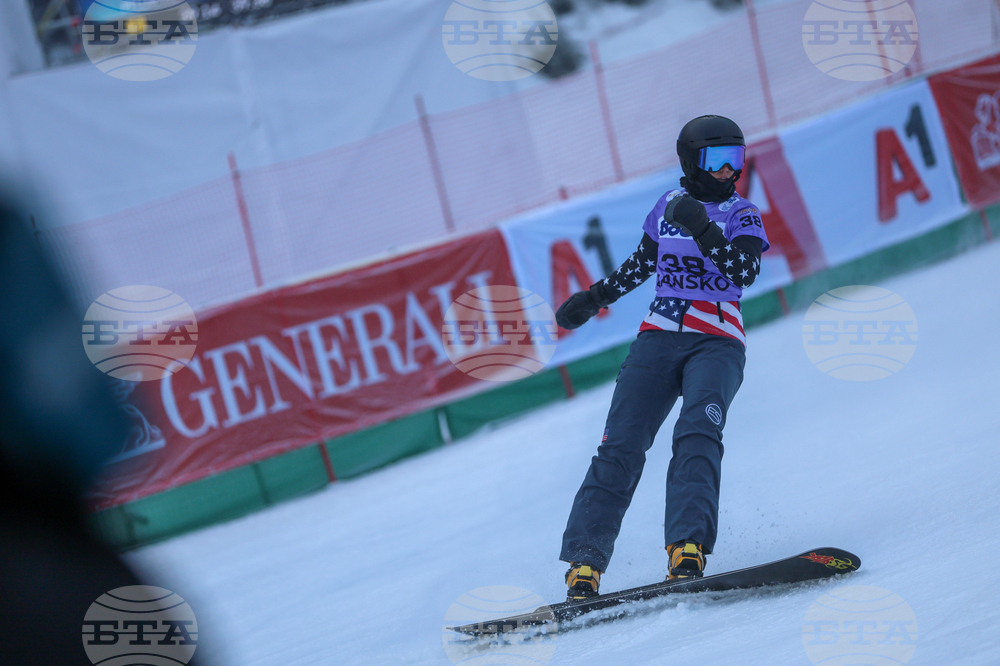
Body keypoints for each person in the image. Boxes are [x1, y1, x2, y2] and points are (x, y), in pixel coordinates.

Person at [555, 115, 769, 599]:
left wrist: (703, 228)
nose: (729, 171)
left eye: (736, 159)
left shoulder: (743, 214)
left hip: (716, 342)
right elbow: (642, 263)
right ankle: (584, 564)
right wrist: (593, 298)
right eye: (718, 160)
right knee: (621, 445)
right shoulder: (668, 205)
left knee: (696, 431)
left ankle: (687, 548)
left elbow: (744, 270)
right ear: (692, 160)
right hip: (657, 339)